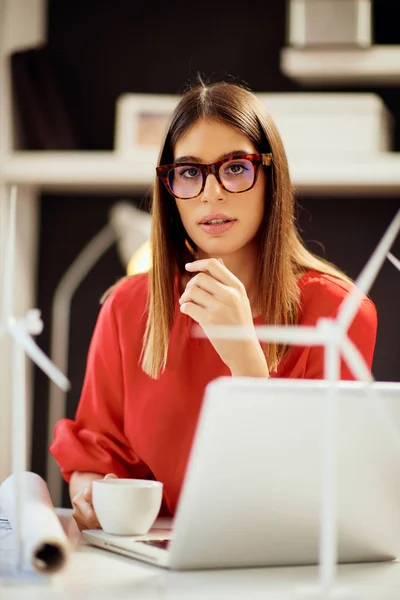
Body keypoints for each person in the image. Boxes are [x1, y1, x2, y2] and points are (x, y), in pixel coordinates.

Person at [50, 78, 377, 531]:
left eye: (236, 168)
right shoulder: (128, 308)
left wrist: (245, 357)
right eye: (188, 172)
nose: (211, 193)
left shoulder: (337, 314)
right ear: (170, 191)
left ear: (271, 178)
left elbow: (313, 490)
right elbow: (101, 454)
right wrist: (90, 487)